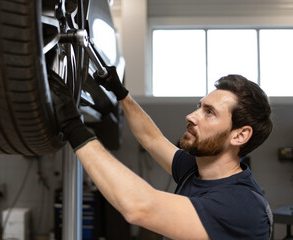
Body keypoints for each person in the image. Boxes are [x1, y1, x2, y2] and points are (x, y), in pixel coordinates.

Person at [50, 66, 273, 240]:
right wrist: (121, 93)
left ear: (240, 135)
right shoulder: (195, 169)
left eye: (209, 112)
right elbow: (152, 138)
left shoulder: (242, 205)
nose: (191, 116)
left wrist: (73, 126)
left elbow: (139, 207)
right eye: (199, 106)